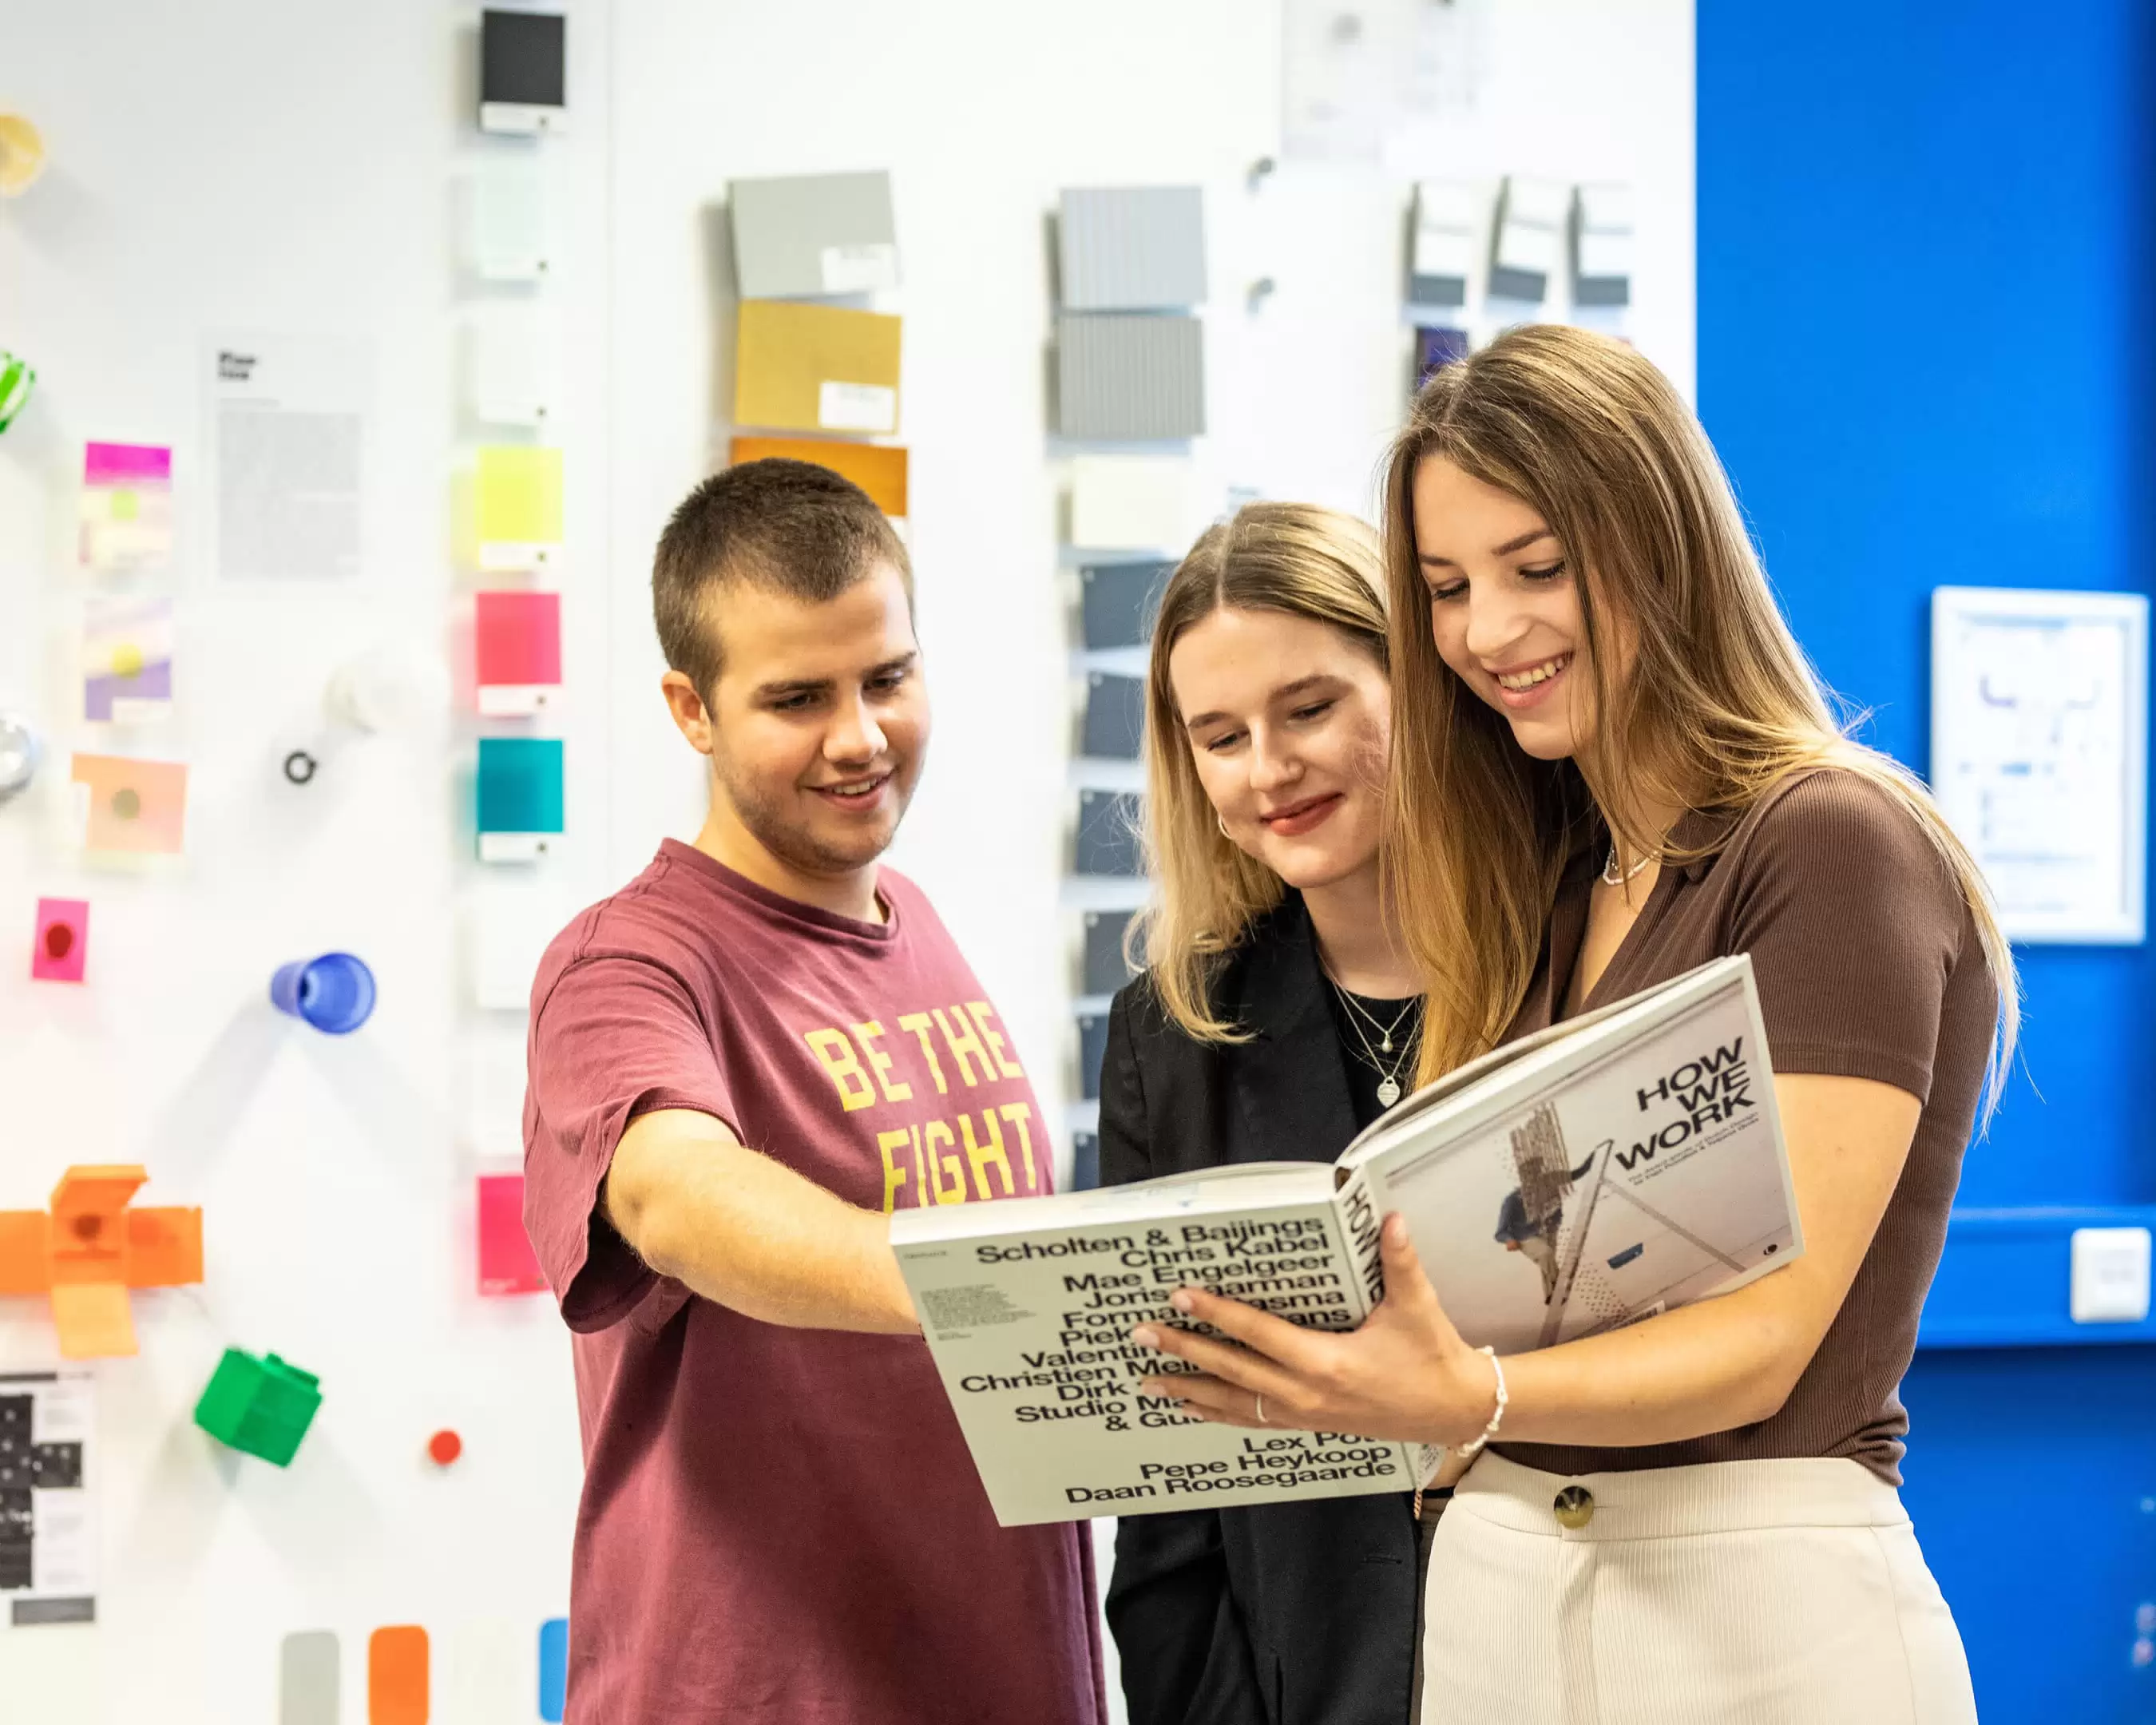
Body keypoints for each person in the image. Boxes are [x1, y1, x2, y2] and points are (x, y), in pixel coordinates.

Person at [1124, 326, 2015, 1723]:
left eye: (1539, 567)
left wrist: (1458, 1393)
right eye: (1448, 587)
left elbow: (1771, 1334)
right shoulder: (1545, 885)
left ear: (1662, 541)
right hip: (1509, 1592)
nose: (1491, 631)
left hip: (1755, 1604)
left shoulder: (1832, 840)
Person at [521, 460, 1106, 1724]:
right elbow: (679, 1199)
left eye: (886, 678)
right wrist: (1016, 1288)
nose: (860, 736)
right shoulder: (624, 965)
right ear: (692, 708)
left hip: (1000, 1672)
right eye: (796, 698)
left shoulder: (919, 921)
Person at [1098, 502, 1429, 1725]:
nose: (1269, 772)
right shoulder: (1170, 1034)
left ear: (1418, 686)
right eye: (1220, 735)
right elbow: (1167, 1495)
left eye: (1311, 708)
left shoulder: (1585, 956)